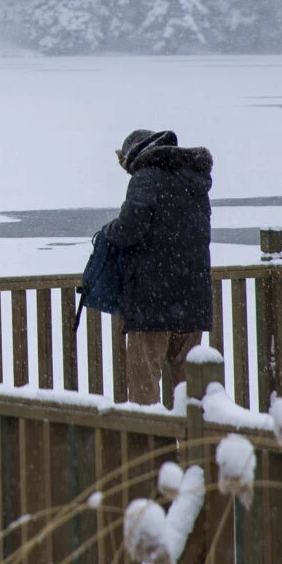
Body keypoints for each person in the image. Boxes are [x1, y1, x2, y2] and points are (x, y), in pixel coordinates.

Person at [105, 129, 213, 405]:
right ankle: (196, 446)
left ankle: (152, 447)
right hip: (192, 299)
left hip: (151, 302)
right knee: (191, 391)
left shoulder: (145, 178)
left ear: (133, 156)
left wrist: (109, 230)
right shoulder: (194, 180)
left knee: (145, 389)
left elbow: (129, 229)